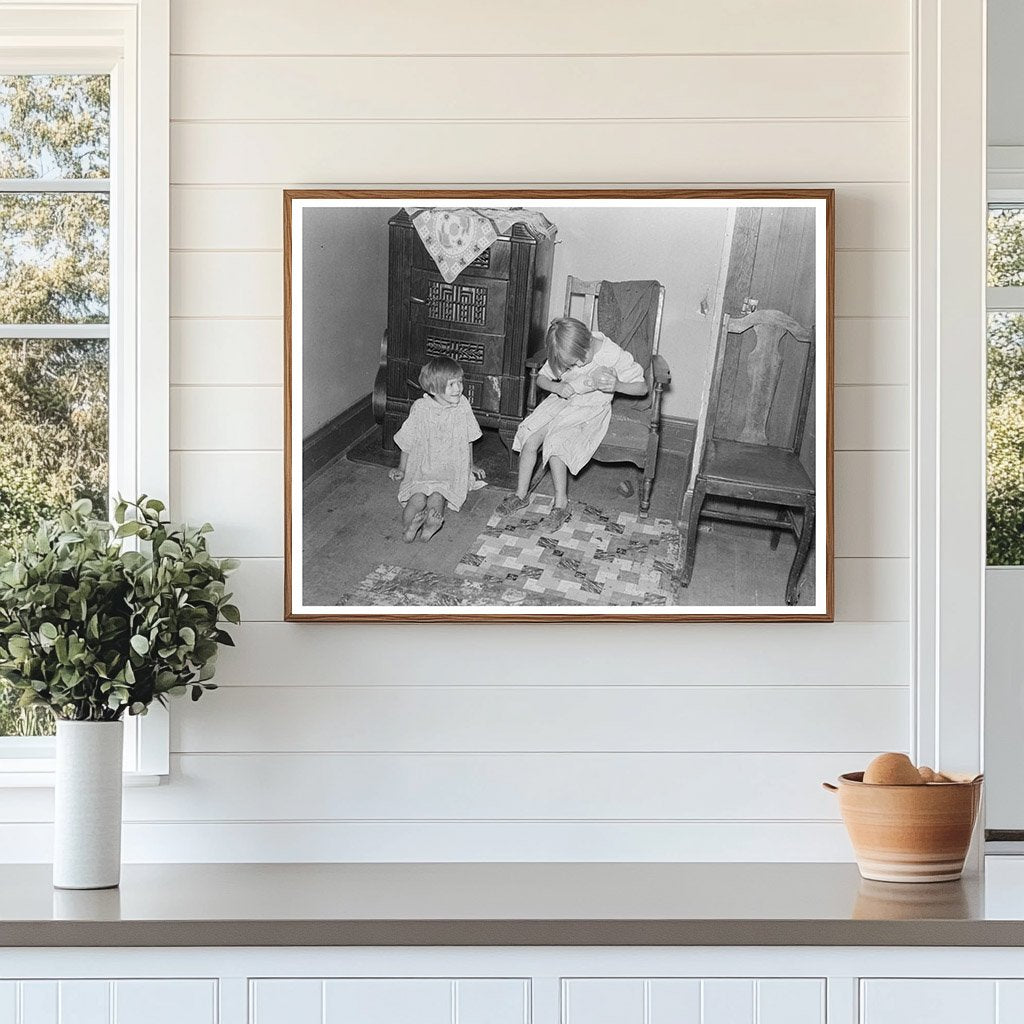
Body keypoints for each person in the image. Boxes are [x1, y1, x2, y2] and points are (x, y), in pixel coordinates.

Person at [497, 316, 647, 530]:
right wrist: (556, 387)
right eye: (570, 364)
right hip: (561, 400)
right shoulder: (565, 350)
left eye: (578, 360)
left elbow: (642, 388)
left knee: (558, 445)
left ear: (586, 341)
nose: (576, 365)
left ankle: (560, 504)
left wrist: (618, 385)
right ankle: (521, 495)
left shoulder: (611, 353)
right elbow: (541, 378)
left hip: (589, 408)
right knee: (530, 437)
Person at [389, 356, 485, 542]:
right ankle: (409, 527)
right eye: (451, 385)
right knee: (416, 497)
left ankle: (429, 526)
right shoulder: (420, 408)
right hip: (422, 467)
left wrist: (470, 465)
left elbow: (468, 438)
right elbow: (407, 440)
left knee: (437, 496)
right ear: (433, 389)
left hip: (449, 470)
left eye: (459, 382)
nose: (458, 388)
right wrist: (402, 468)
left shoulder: (463, 405)